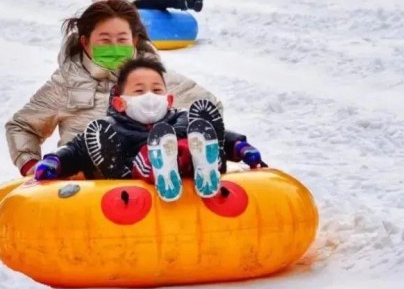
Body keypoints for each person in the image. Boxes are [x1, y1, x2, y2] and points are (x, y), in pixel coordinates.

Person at [5, 0, 222, 176]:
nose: (115, 48)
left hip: (148, 181)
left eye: (122, 39)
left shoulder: (156, 79)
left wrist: (184, 144)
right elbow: (22, 125)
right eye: (105, 40)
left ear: (134, 41)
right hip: (86, 189)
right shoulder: (67, 82)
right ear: (85, 42)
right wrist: (29, 164)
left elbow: (208, 108)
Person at [33, 58, 264, 201]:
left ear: (169, 99)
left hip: (186, 159)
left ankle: (206, 163)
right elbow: (76, 149)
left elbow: (223, 137)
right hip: (138, 170)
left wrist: (242, 147)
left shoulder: (182, 120)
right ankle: (161, 164)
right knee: (149, 150)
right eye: (139, 91)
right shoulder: (113, 128)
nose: (150, 97)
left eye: (156, 90)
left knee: (194, 135)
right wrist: (54, 162)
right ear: (120, 103)